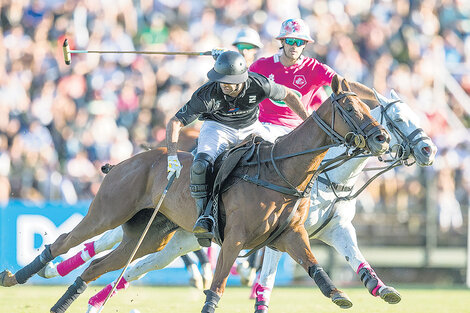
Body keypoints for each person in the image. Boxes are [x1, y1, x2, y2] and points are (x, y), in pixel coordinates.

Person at [165, 50, 309, 247]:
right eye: (220, 80)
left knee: (282, 154)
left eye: (228, 81)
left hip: (251, 126)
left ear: (241, 79)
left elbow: (289, 95)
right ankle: (204, 218)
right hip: (217, 128)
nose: (223, 84)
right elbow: (175, 122)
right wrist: (172, 157)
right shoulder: (206, 94)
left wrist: (307, 122)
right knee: (200, 166)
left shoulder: (259, 84)